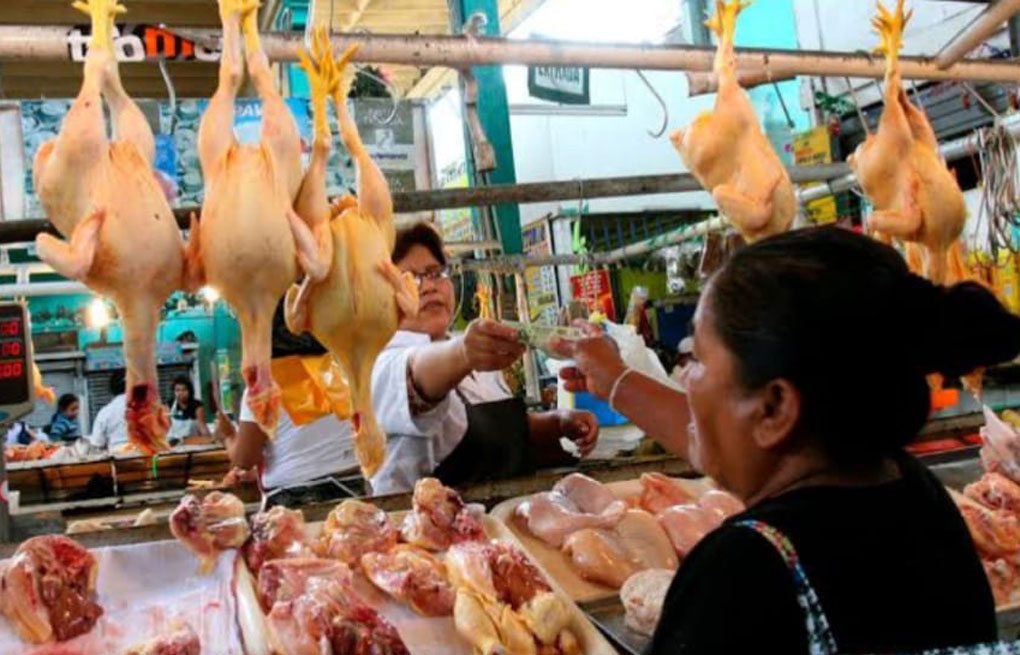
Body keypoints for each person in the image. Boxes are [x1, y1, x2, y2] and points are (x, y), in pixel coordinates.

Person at [552, 228, 1010, 653]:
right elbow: (710, 436)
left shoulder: (745, 573)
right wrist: (614, 380)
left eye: (696, 360)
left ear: (774, 408)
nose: (687, 380)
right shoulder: (921, 499)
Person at [369, 222, 599, 495]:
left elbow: (495, 433)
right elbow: (417, 376)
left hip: (502, 520)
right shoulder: (381, 364)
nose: (429, 286)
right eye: (409, 278)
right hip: (428, 529)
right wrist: (465, 353)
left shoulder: (473, 352)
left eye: (434, 273)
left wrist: (558, 422)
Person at [216, 303, 356, 508]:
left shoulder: (264, 385)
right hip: (354, 486)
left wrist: (227, 436)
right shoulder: (340, 369)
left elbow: (244, 458)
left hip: (296, 498)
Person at [89, 371, 127, 451]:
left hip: (117, 458)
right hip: (147, 458)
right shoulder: (148, 408)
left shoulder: (106, 412)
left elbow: (97, 442)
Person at [167, 376, 210, 443]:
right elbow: (167, 427)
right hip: (174, 444)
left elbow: (202, 427)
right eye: (177, 390)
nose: (181, 393)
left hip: (192, 443)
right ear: (174, 392)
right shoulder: (169, 405)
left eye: (184, 390)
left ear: (189, 391)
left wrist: (208, 439)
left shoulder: (197, 406)